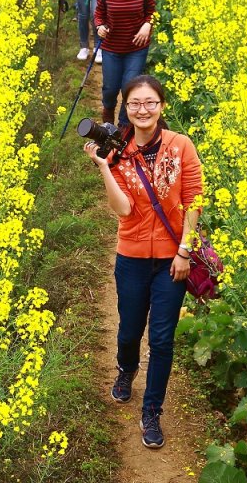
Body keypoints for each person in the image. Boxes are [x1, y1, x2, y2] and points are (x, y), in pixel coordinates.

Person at [82, 75, 203, 450]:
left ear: (161, 106)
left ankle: (152, 410)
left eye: (150, 102)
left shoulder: (180, 146)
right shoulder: (119, 153)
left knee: (162, 339)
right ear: (126, 110)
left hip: (172, 261)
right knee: (130, 330)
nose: (143, 109)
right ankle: (127, 369)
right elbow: (123, 209)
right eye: (134, 103)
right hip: (132, 257)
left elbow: (194, 199)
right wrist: (104, 167)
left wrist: (184, 252)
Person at [94, 0, 155, 125]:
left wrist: (147, 25)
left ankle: (122, 127)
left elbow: (152, 12)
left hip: (136, 49)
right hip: (111, 48)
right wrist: (99, 26)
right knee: (110, 89)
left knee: (130, 88)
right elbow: (99, 14)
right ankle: (108, 114)